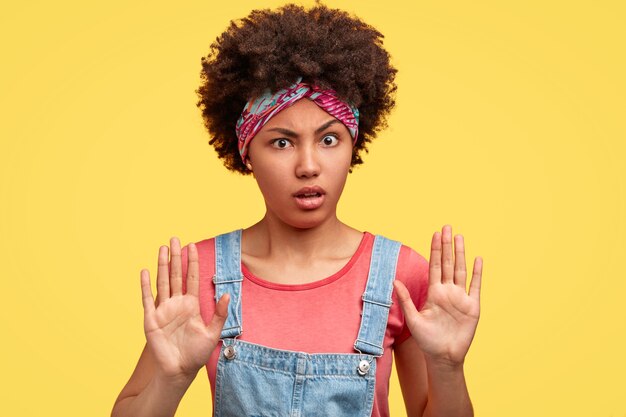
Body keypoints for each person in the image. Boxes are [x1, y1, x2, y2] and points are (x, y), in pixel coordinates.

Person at [111, 3, 483, 417]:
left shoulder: (401, 275)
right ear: (246, 151)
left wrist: (448, 368)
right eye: (282, 142)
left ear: (353, 144)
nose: (308, 166)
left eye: (328, 140)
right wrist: (171, 378)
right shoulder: (200, 272)